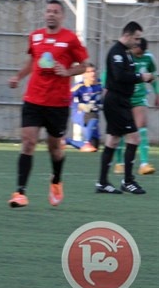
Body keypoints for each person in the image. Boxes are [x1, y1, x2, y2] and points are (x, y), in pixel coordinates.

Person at [7, 0, 89, 208]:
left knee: (55, 149)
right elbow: (32, 62)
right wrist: (18, 77)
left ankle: (56, 181)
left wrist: (68, 72)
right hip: (33, 99)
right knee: (28, 142)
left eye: (55, 12)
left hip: (58, 103)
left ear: (62, 16)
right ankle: (20, 192)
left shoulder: (70, 39)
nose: (51, 14)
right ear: (45, 14)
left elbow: (84, 66)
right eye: (49, 11)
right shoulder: (35, 36)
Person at [96, 22, 155, 195]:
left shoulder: (126, 54)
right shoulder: (117, 52)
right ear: (127, 35)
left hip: (121, 101)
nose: (138, 42)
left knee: (113, 140)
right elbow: (119, 76)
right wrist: (141, 76)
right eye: (136, 38)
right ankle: (128, 181)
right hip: (116, 101)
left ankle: (102, 182)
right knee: (134, 137)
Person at [111, 37, 158, 175]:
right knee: (120, 131)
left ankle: (144, 164)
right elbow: (110, 73)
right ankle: (120, 163)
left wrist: (157, 93)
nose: (140, 55)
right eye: (138, 52)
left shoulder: (148, 58)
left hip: (139, 98)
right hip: (123, 97)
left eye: (142, 52)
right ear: (133, 48)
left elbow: (153, 76)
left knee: (141, 127)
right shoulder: (122, 56)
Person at [65, 64, 102, 152]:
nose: (92, 74)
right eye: (89, 72)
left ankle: (67, 141)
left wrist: (101, 105)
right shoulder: (79, 86)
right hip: (79, 113)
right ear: (84, 74)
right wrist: (79, 105)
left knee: (94, 147)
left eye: (93, 71)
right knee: (93, 116)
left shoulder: (101, 84)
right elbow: (67, 97)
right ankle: (87, 142)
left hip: (93, 112)